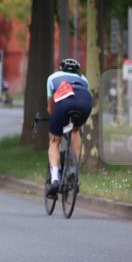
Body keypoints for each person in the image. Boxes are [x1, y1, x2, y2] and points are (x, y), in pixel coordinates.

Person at [45, 58, 92, 196]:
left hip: (64, 105)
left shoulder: (52, 78)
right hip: (85, 102)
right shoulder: (84, 79)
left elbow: (51, 106)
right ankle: (73, 169)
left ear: (60, 68)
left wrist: (55, 120)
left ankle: (54, 179)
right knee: (76, 129)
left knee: (55, 140)